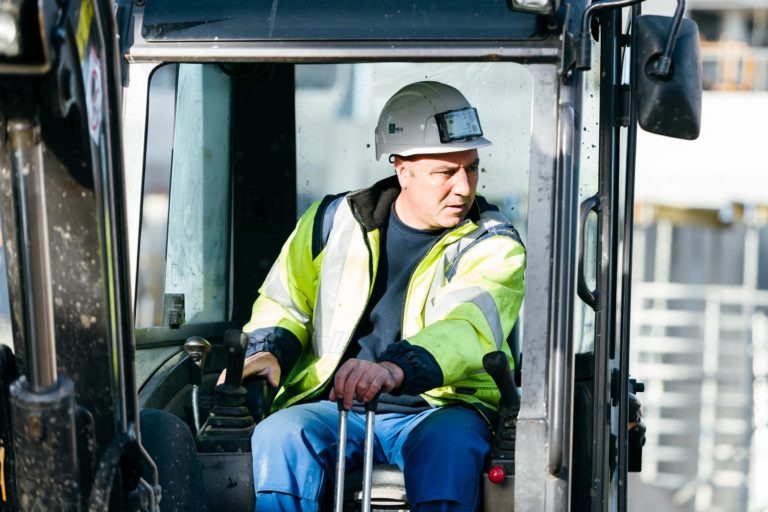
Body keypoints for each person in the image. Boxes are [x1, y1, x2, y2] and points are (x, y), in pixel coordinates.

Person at [226, 81, 526, 511]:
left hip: (442, 408)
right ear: (402, 170)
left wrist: (395, 367)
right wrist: (266, 350)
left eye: (472, 168)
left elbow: (467, 328)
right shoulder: (330, 222)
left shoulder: (494, 244)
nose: (464, 186)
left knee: (449, 452)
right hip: (337, 406)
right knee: (280, 434)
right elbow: (284, 302)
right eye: (446, 172)